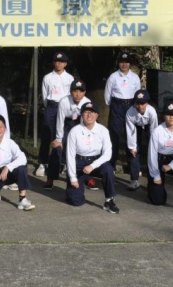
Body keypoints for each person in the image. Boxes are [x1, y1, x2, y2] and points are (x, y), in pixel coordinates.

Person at [65, 102, 119, 213]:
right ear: (82, 115)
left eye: (93, 112)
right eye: (86, 112)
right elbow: (70, 156)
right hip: (79, 162)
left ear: (97, 115)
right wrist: (73, 178)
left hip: (96, 162)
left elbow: (107, 154)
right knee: (76, 201)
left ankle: (109, 200)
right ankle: (77, 188)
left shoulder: (103, 130)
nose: (89, 115)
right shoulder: (74, 131)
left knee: (108, 169)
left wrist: (92, 166)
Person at [0, 114, 35, 210]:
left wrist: (8, 167)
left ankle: (22, 199)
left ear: (5, 128)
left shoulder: (10, 143)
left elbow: (22, 158)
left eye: (0, 126)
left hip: (6, 173)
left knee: (21, 168)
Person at [36, 51, 75, 179]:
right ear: (53, 63)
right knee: (47, 134)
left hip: (64, 107)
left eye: (62, 62)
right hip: (51, 106)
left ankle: (62, 163)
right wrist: (50, 107)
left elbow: (72, 95)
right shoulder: (47, 77)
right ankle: (43, 163)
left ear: (65, 64)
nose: (59, 64)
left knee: (63, 136)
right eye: (57, 61)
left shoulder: (70, 78)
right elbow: (45, 95)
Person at [45, 79, 90, 190]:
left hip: (80, 124)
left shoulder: (87, 102)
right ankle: (51, 178)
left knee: (83, 149)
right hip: (65, 124)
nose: (78, 94)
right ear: (70, 92)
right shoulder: (64, 101)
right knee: (57, 149)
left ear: (84, 92)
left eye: (81, 91)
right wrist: (59, 139)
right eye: (75, 91)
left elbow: (85, 122)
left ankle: (86, 178)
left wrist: (82, 138)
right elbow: (60, 120)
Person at [103, 51, 141, 176]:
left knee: (131, 136)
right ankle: (111, 166)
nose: (124, 65)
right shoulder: (113, 77)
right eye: (122, 62)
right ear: (119, 63)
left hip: (131, 107)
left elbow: (138, 94)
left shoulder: (135, 77)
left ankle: (132, 167)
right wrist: (114, 106)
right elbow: (107, 95)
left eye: (127, 62)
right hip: (117, 106)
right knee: (114, 136)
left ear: (130, 64)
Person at [124, 89, 158, 191]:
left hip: (149, 125)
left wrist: (154, 145)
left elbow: (154, 130)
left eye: (142, 103)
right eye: (138, 103)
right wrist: (132, 147)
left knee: (152, 151)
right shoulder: (130, 112)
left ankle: (152, 179)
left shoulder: (152, 112)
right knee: (133, 152)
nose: (140, 106)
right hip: (135, 125)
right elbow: (130, 131)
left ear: (147, 103)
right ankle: (134, 180)